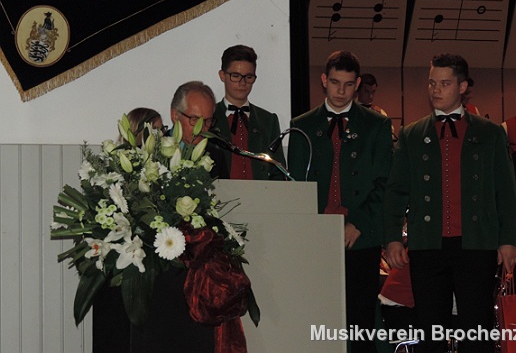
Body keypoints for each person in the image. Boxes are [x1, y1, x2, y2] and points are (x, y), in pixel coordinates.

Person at [384, 53, 516, 353]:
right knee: (430, 330)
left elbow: (506, 192)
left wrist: (509, 239)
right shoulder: (411, 134)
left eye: (444, 83)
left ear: (462, 87)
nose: (436, 89)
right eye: (432, 82)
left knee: (477, 330)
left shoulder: (490, 133)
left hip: (477, 244)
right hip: (427, 244)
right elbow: (396, 190)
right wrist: (392, 237)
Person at [287, 50, 393, 352]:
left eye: (348, 84)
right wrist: (315, 227)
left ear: (357, 84)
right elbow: (296, 185)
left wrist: (356, 223)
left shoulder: (377, 125)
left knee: (359, 321)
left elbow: (384, 182)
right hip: (316, 237)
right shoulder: (302, 125)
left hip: (361, 236)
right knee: (317, 318)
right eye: (335, 82)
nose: (341, 91)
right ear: (324, 80)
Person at [130, 81, 229, 353]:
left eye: (208, 122)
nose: (201, 129)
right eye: (194, 120)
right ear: (175, 115)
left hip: (197, 278)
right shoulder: (151, 152)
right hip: (158, 277)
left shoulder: (215, 156)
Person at [212, 44, 286, 180]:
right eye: (235, 76)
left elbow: (278, 171)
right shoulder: (209, 117)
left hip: (261, 192)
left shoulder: (268, 120)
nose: (242, 83)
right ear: (222, 75)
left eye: (249, 77)